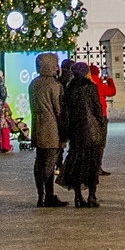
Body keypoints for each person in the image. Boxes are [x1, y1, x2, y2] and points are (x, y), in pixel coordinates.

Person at [58, 49, 107, 207]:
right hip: (92, 132)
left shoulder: (70, 89)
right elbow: (97, 109)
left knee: (78, 164)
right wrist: (101, 122)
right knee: (92, 164)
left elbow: (66, 113)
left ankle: (78, 197)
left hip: (77, 132)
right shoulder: (91, 87)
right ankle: (92, 196)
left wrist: (66, 132)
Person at [29, 52, 66, 207]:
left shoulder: (33, 84)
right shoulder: (54, 85)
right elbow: (59, 109)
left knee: (40, 161)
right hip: (51, 128)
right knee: (49, 163)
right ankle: (49, 195)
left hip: (38, 126)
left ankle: (40, 194)